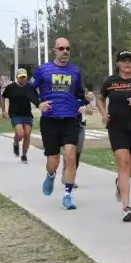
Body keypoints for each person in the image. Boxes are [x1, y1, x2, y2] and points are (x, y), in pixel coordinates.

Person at [30, 37, 89, 210]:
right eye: (61, 48)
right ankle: (50, 174)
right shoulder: (43, 70)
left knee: (71, 156)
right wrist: (38, 103)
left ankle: (68, 195)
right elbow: (29, 89)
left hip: (70, 120)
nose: (65, 51)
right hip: (50, 121)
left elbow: (80, 95)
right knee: (53, 161)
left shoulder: (76, 71)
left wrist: (86, 102)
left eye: (67, 49)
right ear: (54, 50)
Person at [97, 51, 131, 223]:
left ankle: (120, 183)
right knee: (123, 163)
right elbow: (100, 99)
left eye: (130, 60)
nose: (127, 63)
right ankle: (126, 206)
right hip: (117, 128)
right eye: (123, 61)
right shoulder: (110, 81)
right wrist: (104, 114)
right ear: (117, 64)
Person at [2, 68, 39, 163]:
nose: (23, 79)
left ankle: (24, 155)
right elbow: (3, 97)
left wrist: (41, 105)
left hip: (27, 114)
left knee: (27, 134)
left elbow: (36, 99)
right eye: (20, 77)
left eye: (24, 77)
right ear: (17, 77)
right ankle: (15, 143)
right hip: (15, 114)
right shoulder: (11, 87)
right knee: (20, 133)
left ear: (27, 77)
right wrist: (3, 111)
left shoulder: (30, 87)